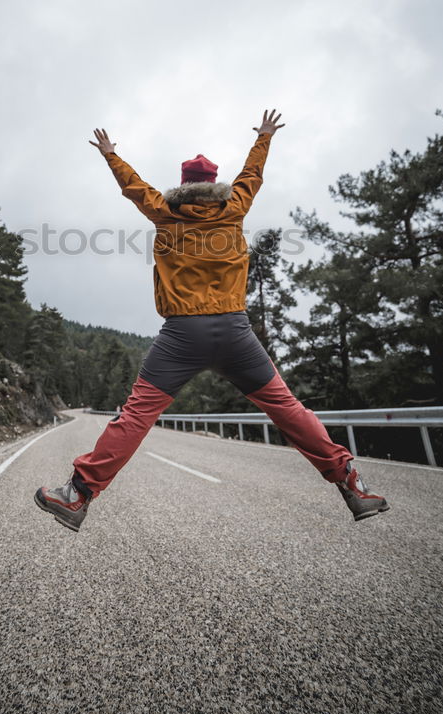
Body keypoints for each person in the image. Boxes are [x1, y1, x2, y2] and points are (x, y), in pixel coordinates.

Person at [34, 110, 389, 532]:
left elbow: (135, 188)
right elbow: (252, 174)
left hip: (183, 334)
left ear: (183, 185)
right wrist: (264, 137)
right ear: (215, 183)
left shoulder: (166, 212)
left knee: (135, 417)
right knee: (287, 408)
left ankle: (77, 495)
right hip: (236, 331)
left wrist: (112, 154)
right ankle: (353, 483)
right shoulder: (234, 207)